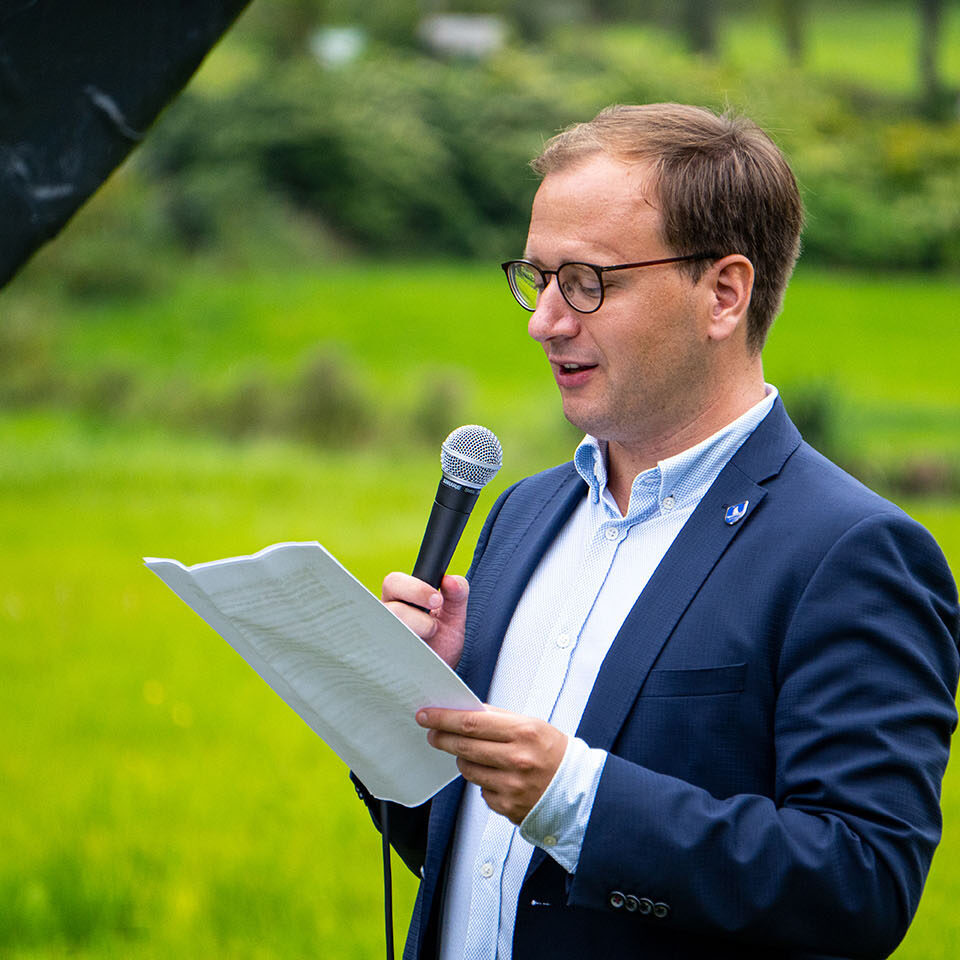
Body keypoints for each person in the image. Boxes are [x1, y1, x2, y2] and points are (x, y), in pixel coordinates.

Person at [356, 103, 960, 960]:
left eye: (589, 282)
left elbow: (859, 884)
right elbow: (476, 864)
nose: (545, 321)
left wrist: (578, 797)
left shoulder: (851, 553)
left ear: (723, 293)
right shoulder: (523, 516)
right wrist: (406, 707)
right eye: (537, 279)